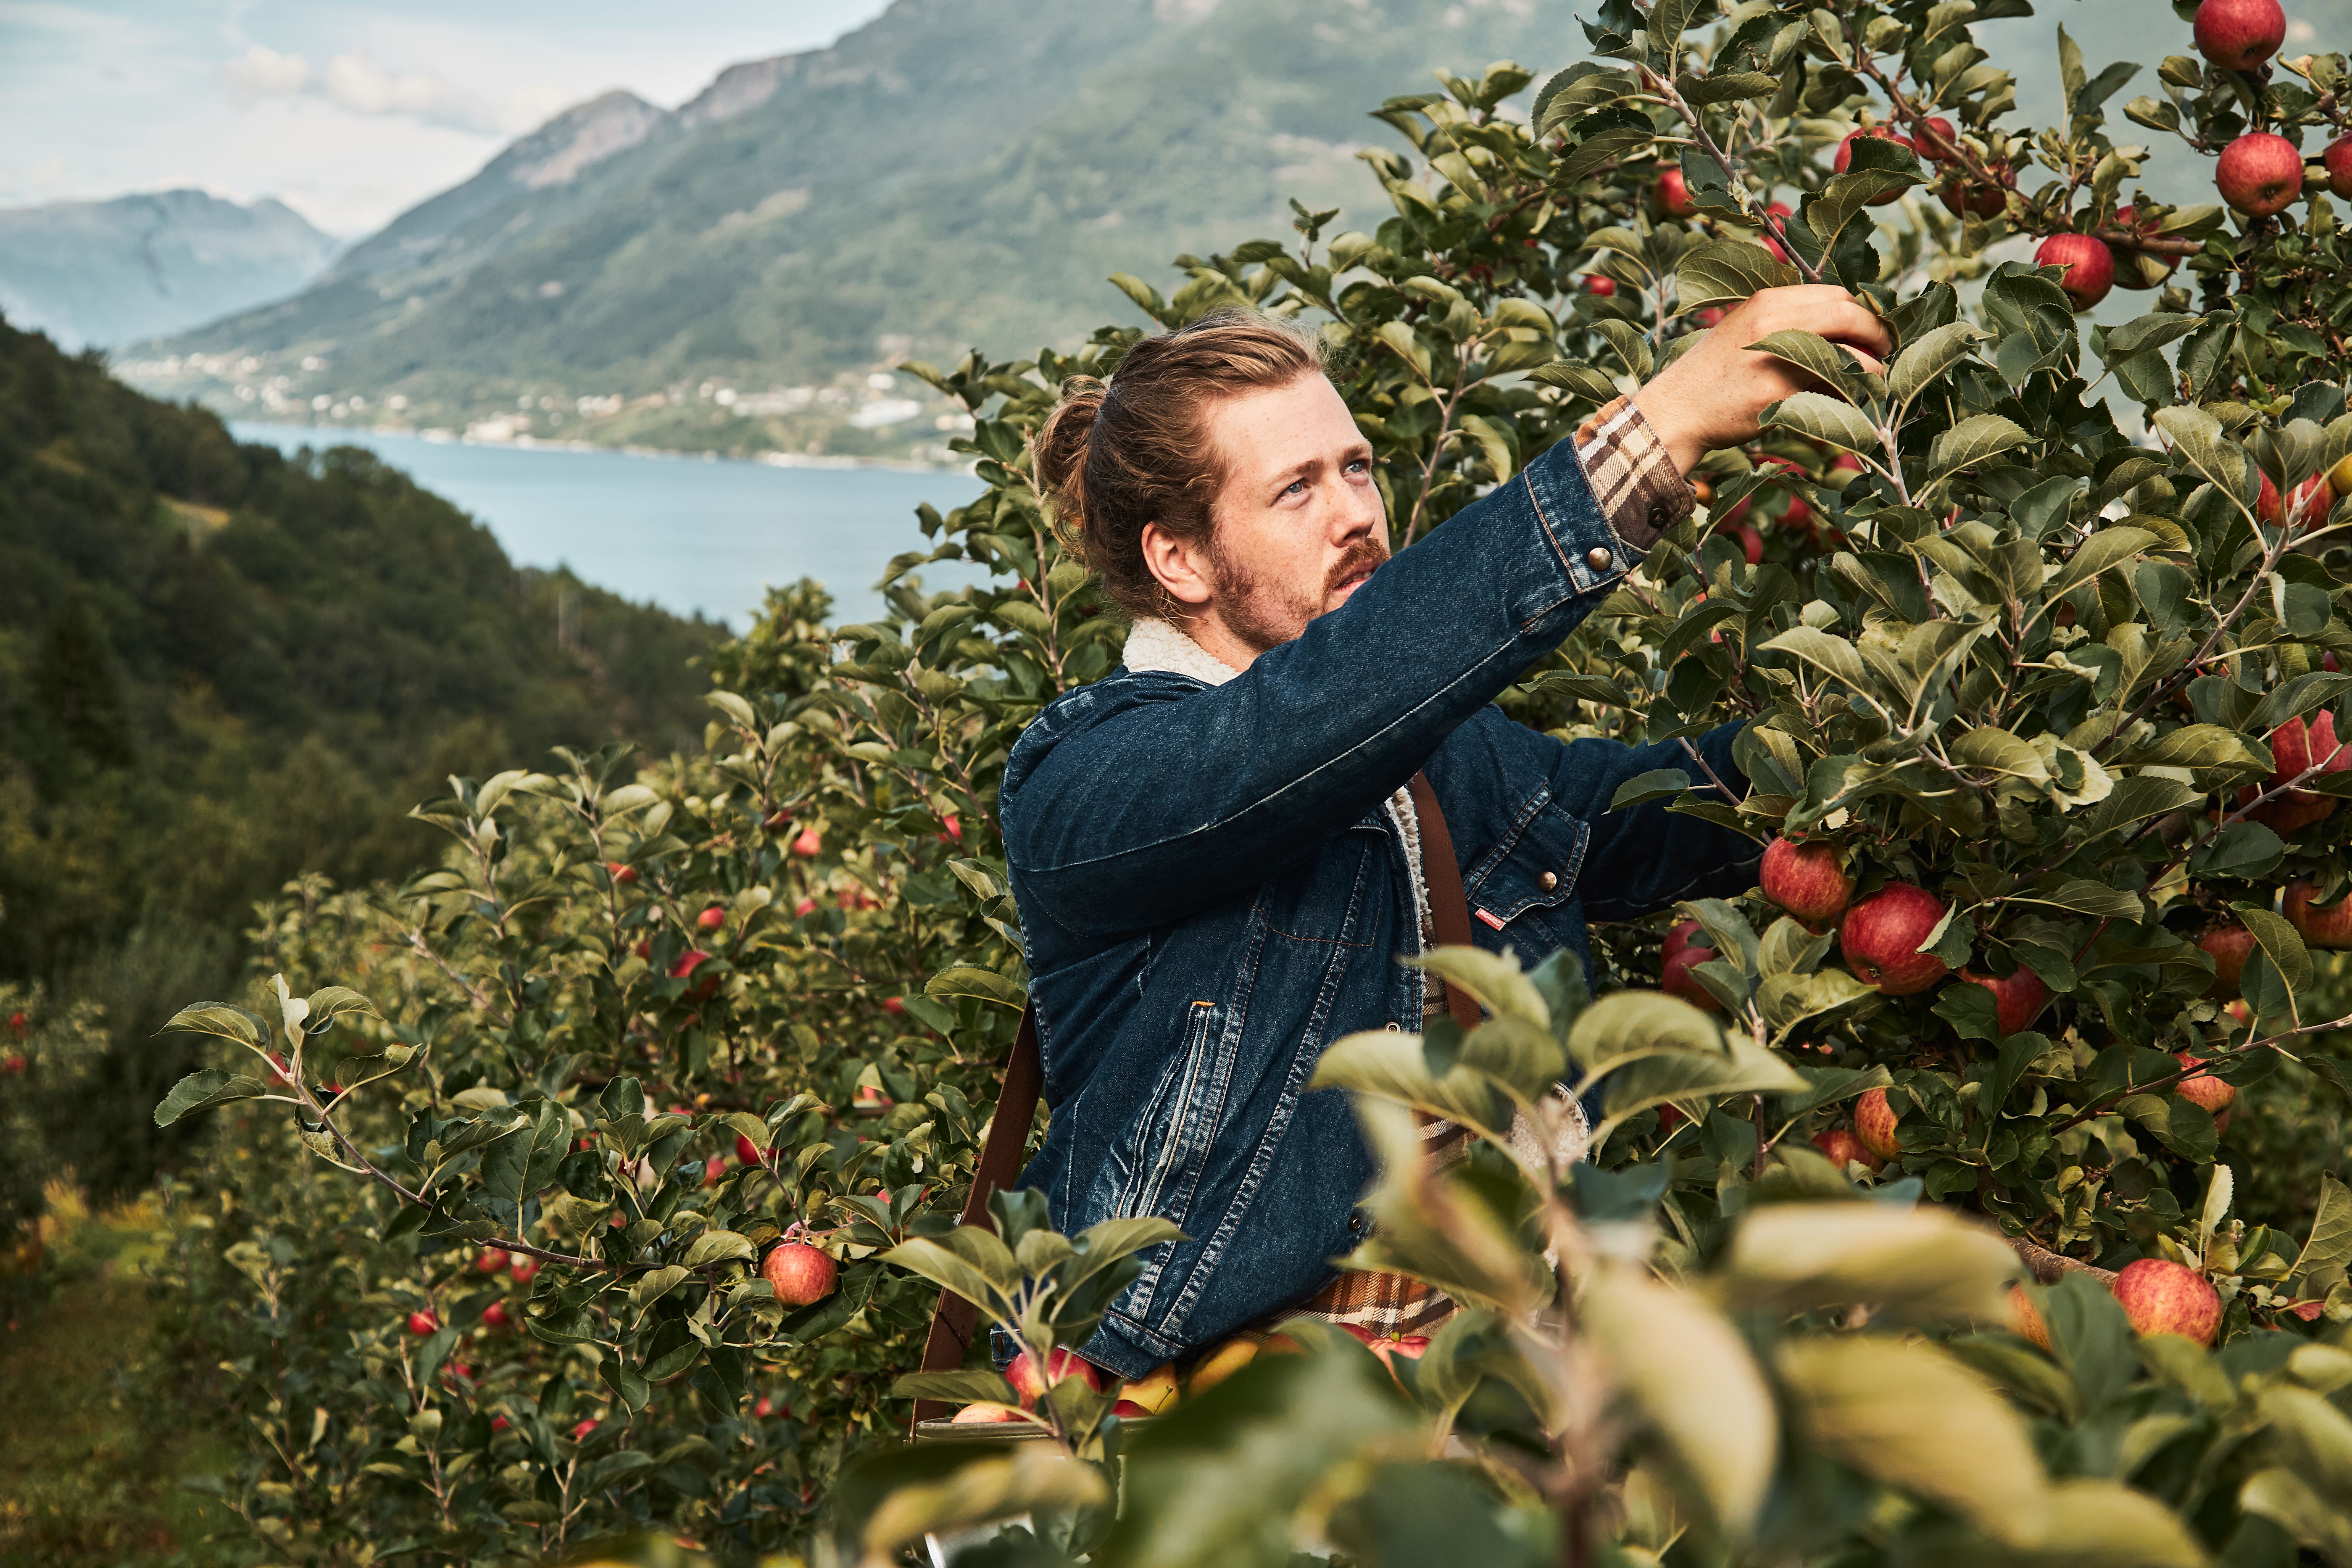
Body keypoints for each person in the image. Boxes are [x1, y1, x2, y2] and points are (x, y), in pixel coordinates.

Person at [996, 285, 1893, 1379]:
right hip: (1216, 1422)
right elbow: (1300, 723)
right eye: (1295, 489)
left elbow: (1658, 808)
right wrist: (1652, 438)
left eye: (1358, 467)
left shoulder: (1449, 760)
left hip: (1499, 1390)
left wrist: (1887, 742)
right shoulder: (1091, 778)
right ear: (1182, 560)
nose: (1355, 513)